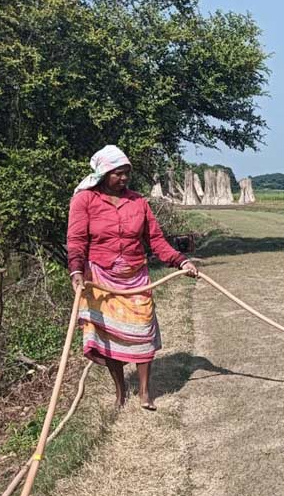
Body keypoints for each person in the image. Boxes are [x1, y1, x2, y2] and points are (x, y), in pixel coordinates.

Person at [67, 145, 198, 410]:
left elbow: (156, 241)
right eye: (118, 173)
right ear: (104, 173)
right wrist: (77, 271)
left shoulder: (138, 202)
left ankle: (145, 393)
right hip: (100, 277)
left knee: (142, 330)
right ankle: (120, 391)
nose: (124, 178)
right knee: (109, 336)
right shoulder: (84, 200)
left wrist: (181, 261)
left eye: (127, 173)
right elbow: (77, 240)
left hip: (136, 276)